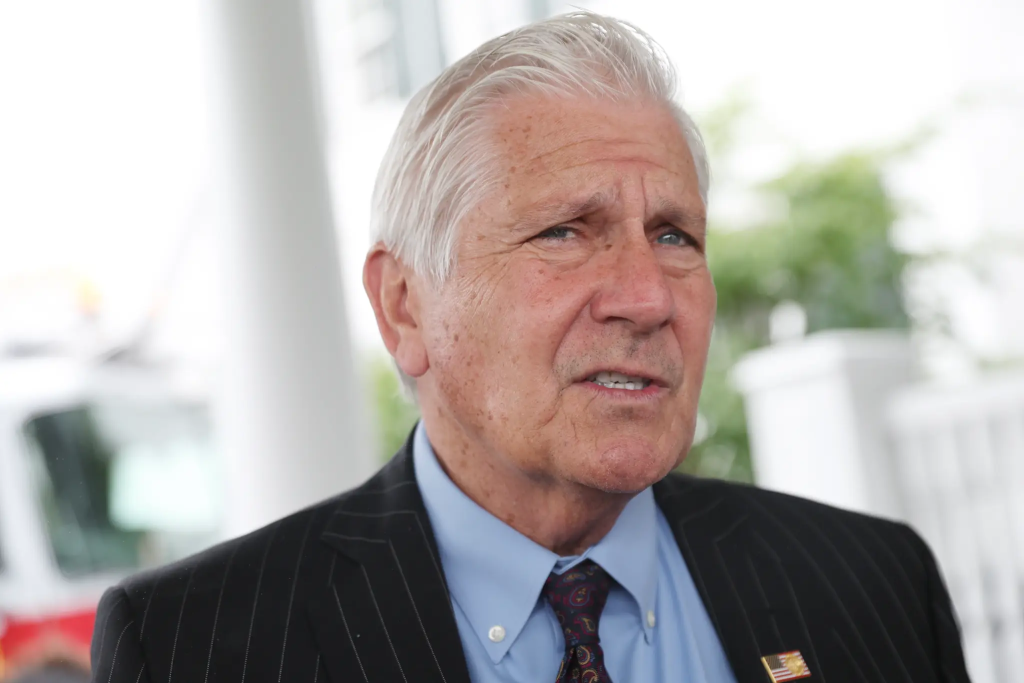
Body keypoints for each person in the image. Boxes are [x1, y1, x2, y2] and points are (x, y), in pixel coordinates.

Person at [90, 12, 971, 683]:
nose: (647, 298)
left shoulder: (873, 583)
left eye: (674, 235)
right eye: (564, 232)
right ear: (404, 306)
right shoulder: (194, 643)